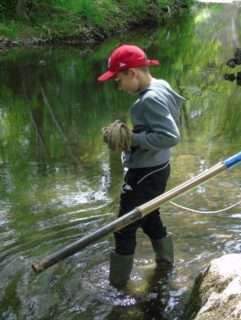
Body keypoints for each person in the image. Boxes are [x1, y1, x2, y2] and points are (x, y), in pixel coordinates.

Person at [97, 44, 185, 288]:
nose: (119, 86)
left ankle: (117, 288)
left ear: (133, 73)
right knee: (149, 216)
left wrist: (132, 139)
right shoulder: (162, 85)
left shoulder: (149, 99)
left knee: (123, 227)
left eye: (119, 79)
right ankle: (166, 264)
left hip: (146, 173)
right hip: (158, 168)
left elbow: (170, 136)